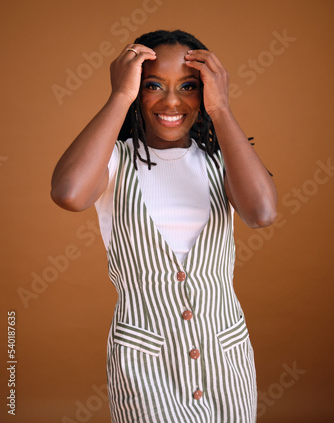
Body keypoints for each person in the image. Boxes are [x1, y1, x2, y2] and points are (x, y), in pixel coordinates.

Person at [51, 29, 277, 423]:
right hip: (144, 363)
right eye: (153, 85)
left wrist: (221, 108)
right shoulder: (113, 162)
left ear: (205, 91)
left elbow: (262, 213)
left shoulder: (222, 160)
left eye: (188, 86)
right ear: (136, 88)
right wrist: (118, 97)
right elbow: (69, 193)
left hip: (225, 358)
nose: (172, 101)